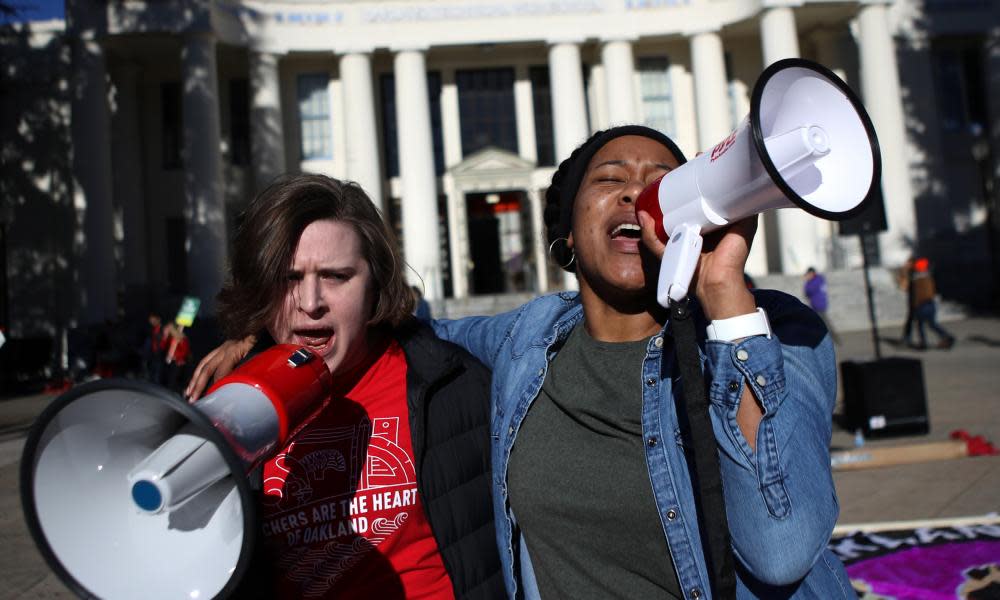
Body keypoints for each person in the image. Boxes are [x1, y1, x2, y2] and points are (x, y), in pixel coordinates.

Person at [190, 127, 850, 598]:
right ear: (564, 233)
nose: (637, 195)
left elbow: (781, 547)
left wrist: (728, 298)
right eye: (611, 179)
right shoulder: (527, 343)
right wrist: (258, 344)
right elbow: (382, 319)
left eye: (663, 183)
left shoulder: (775, 332)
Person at [190, 174, 503, 599]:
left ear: (375, 284)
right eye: (287, 278)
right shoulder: (226, 400)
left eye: (336, 276)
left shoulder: (455, 385)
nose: (311, 301)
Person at [903, 256, 955, 350]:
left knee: (920, 324)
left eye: (908, 263)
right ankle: (946, 336)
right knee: (932, 324)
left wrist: (915, 305)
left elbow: (916, 293)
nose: (906, 265)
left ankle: (924, 343)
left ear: (913, 264)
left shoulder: (916, 277)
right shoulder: (927, 274)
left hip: (922, 304)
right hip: (930, 303)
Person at [803, 267, 841, 344]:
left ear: (812, 273)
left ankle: (833, 340)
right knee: (822, 323)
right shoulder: (818, 280)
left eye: (809, 274)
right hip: (816, 305)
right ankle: (834, 339)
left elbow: (808, 290)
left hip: (819, 305)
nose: (807, 276)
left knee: (824, 324)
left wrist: (807, 281)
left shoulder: (816, 281)